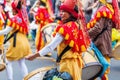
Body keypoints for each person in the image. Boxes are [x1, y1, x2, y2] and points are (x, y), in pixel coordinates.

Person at [25, 0, 90, 80]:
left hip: (67, 65)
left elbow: (50, 47)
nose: (61, 13)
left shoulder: (65, 28)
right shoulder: (76, 25)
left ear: (71, 13)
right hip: (75, 65)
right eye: (61, 11)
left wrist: (34, 56)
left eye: (65, 11)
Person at [87, 0, 119, 80]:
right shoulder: (110, 9)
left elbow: (98, 28)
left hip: (101, 42)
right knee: (100, 65)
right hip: (105, 41)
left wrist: (86, 34)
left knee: (95, 64)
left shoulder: (104, 10)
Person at [0, 0, 32, 80]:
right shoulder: (23, 18)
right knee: (21, 63)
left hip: (17, 43)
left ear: (14, 9)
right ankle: (26, 78)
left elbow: (6, 31)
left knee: (8, 62)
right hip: (25, 42)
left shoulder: (14, 19)